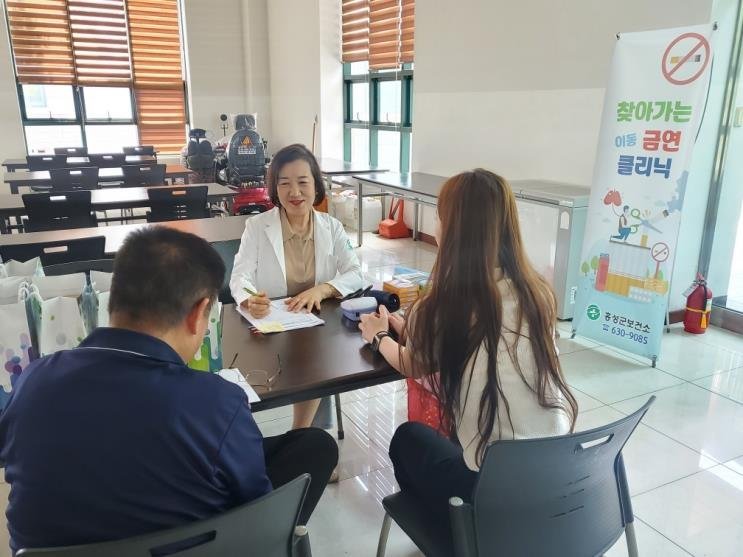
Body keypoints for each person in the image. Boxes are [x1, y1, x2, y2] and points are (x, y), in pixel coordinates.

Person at [0, 227, 337, 553]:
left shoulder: (33, 382)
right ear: (198, 314)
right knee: (308, 449)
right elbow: (258, 506)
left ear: (112, 300)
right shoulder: (217, 403)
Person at [358, 169, 578, 528]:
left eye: (439, 217)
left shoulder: (447, 304)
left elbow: (413, 364)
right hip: (558, 477)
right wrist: (411, 328)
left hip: (495, 497)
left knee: (408, 439)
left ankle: (456, 534)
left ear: (453, 230)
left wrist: (379, 336)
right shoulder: (538, 293)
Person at [230, 143, 365, 429]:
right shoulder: (257, 227)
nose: (295, 192)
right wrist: (249, 299)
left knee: (318, 362)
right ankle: (298, 437)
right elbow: (240, 277)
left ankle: (302, 434)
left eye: (303, 182)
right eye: (284, 183)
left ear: (316, 186)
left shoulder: (331, 227)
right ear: (274, 188)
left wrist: (323, 289)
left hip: (316, 325)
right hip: (271, 328)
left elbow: (355, 273)